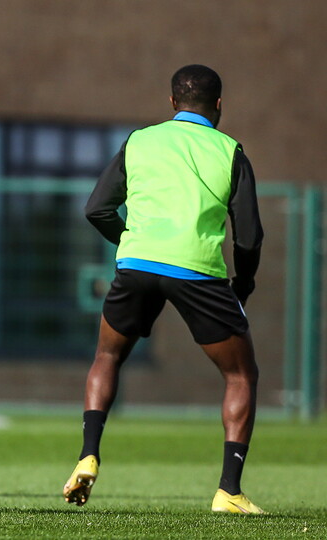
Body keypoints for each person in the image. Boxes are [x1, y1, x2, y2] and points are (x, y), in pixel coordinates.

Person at [62, 64, 264, 514]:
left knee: (107, 356)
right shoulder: (231, 151)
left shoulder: (139, 140)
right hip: (197, 269)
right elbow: (249, 237)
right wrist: (243, 286)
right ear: (219, 106)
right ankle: (229, 491)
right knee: (240, 375)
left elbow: (96, 209)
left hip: (136, 262)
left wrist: (132, 241)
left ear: (172, 103)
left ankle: (88, 455)